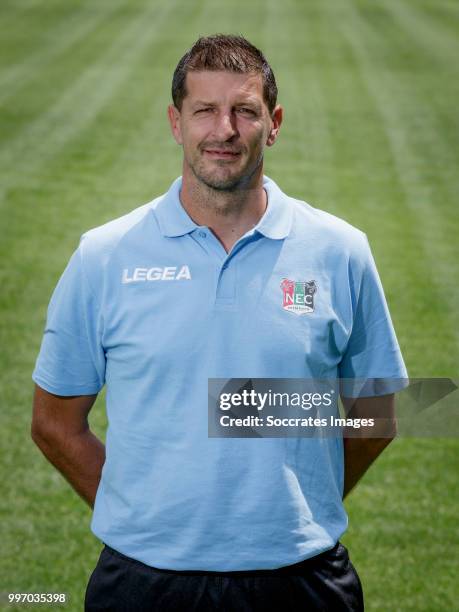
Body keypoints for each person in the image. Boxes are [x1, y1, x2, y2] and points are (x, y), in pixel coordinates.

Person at [31, 34, 407, 611]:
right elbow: (54, 423)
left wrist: (299, 502)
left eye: (244, 111)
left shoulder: (340, 250)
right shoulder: (103, 255)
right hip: (144, 580)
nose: (224, 130)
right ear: (175, 123)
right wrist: (142, 515)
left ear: (273, 123)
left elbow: (377, 411)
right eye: (204, 110)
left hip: (303, 578)